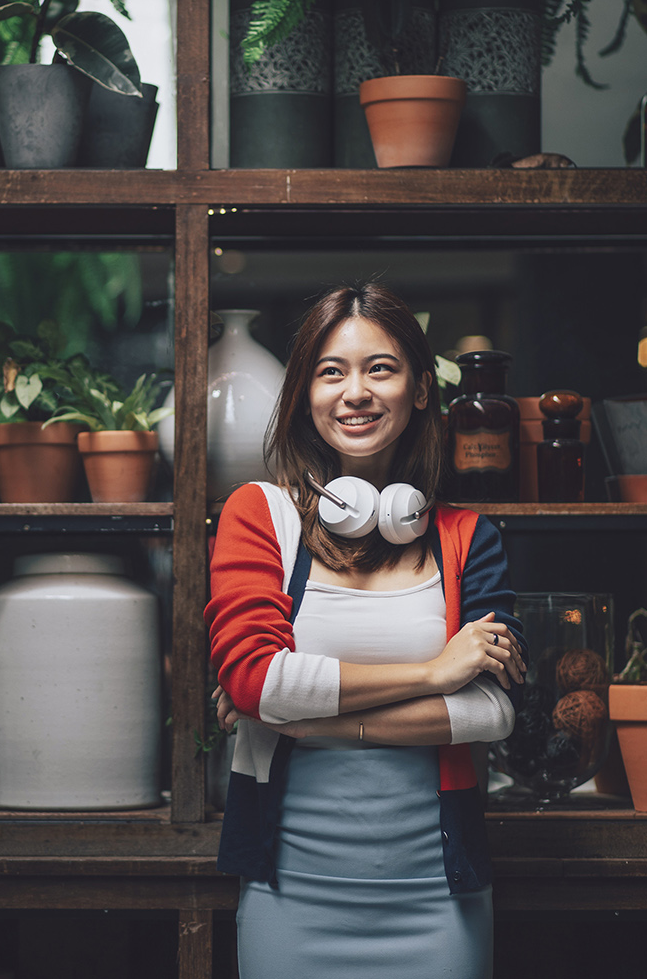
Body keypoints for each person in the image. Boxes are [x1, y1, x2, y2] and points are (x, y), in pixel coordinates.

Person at [205, 282, 527, 979]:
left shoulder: (468, 538)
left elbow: (493, 710)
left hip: (437, 896)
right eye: (331, 371)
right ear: (304, 394)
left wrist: (300, 717)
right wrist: (433, 675)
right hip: (289, 889)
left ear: (420, 389)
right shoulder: (258, 515)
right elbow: (255, 681)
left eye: (380, 368)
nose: (355, 392)